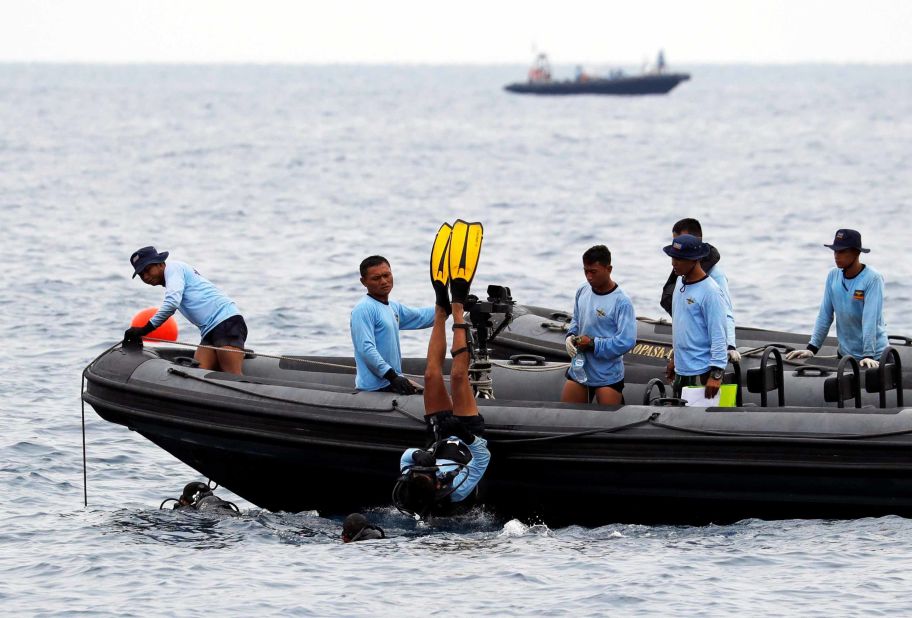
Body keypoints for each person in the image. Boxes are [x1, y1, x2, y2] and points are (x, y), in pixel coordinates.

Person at [392, 221, 491, 520]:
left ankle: (440, 308)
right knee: (459, 377)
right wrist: (466, 435)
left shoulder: (409, 479)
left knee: (432, 375)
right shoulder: (457, 488)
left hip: (437, 437)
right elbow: (483, 458)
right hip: (468, 437)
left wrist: (419, 456)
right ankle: (458, 304)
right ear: (436, 484)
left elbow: (407, 457)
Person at [125, 246, 248, 374]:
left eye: (147, 269)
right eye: (141, 274)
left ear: (160, 263)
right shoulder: (173, 279)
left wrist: (145, 329)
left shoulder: (173, 269)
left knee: (232, 375)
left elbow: (172, 303)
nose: (145, 276)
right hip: (209, 330)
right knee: (198, 375)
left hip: (227, 323)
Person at [785, 229, 887, 368]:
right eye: (835, 251)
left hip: (874, 358)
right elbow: (825, 315)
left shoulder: (873, 279)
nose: (836, 256)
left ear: (856, 253)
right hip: (845, 356)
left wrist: (868, 354)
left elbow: (870, 319)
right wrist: (812, 348)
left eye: (842, 251)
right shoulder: (833, 276)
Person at [562, 245, 637, 405]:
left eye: (593, 272)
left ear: (608, 269)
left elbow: (626, 341)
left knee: (610, 423)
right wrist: (570, 336)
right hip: (580, 370)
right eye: (586, 271)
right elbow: (576, 319)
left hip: (607, 376)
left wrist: (593, 344)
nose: (589, 277)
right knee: (565, 415)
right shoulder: (582, 290)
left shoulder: (622, 302)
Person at [350, 255, 435, 394]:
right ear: (363, 282)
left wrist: (453, 305)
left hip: (392, 380)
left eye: (386, 275)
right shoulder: (363, 309)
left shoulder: (393, 307)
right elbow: (365, 348)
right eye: (376, 278)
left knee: (434, 398)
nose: (383, 281)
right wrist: (392, 376)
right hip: (375, 387)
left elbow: (421, 317)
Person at [660, 218, 739, 363]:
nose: (677, 248)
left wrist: (730, 345)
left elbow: (725, 313)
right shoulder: (680, 277)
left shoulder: (715, 277)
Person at [663, 235, 729, 399]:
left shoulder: (711, 292)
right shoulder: (679, 283)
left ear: (694, 260)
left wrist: (716, 375)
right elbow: (682, 326)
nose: (673, 263)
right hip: (681, 371)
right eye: (672, 257)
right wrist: (675, 359)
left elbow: (719, 334)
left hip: (702, 372)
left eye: (679, 259)